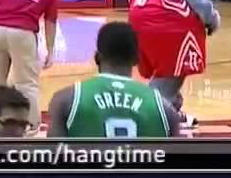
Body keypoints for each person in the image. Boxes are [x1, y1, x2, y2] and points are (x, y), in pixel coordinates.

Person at [48, 21, 180, 138]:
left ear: (97, 58)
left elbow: (52, 157)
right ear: (136, 59)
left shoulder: (64, 100)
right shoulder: (164, 108)